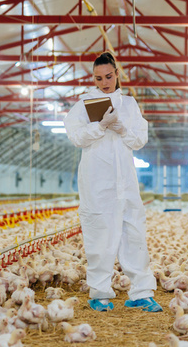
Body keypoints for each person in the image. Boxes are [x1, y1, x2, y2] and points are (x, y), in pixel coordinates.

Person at [63, 52, 161, 313]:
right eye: (98, 78)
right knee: (100, 238)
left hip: (126, 184)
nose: (104, 82)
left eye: (108, 76)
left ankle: (142, 293)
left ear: (117, 74)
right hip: (97, 183)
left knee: (134, 235)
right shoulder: (84, 104)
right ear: (92, 78)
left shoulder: (129, 105)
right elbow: (75, 137)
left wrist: (121, 129)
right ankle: (100, 293)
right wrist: (100, 126)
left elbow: (140, 140)